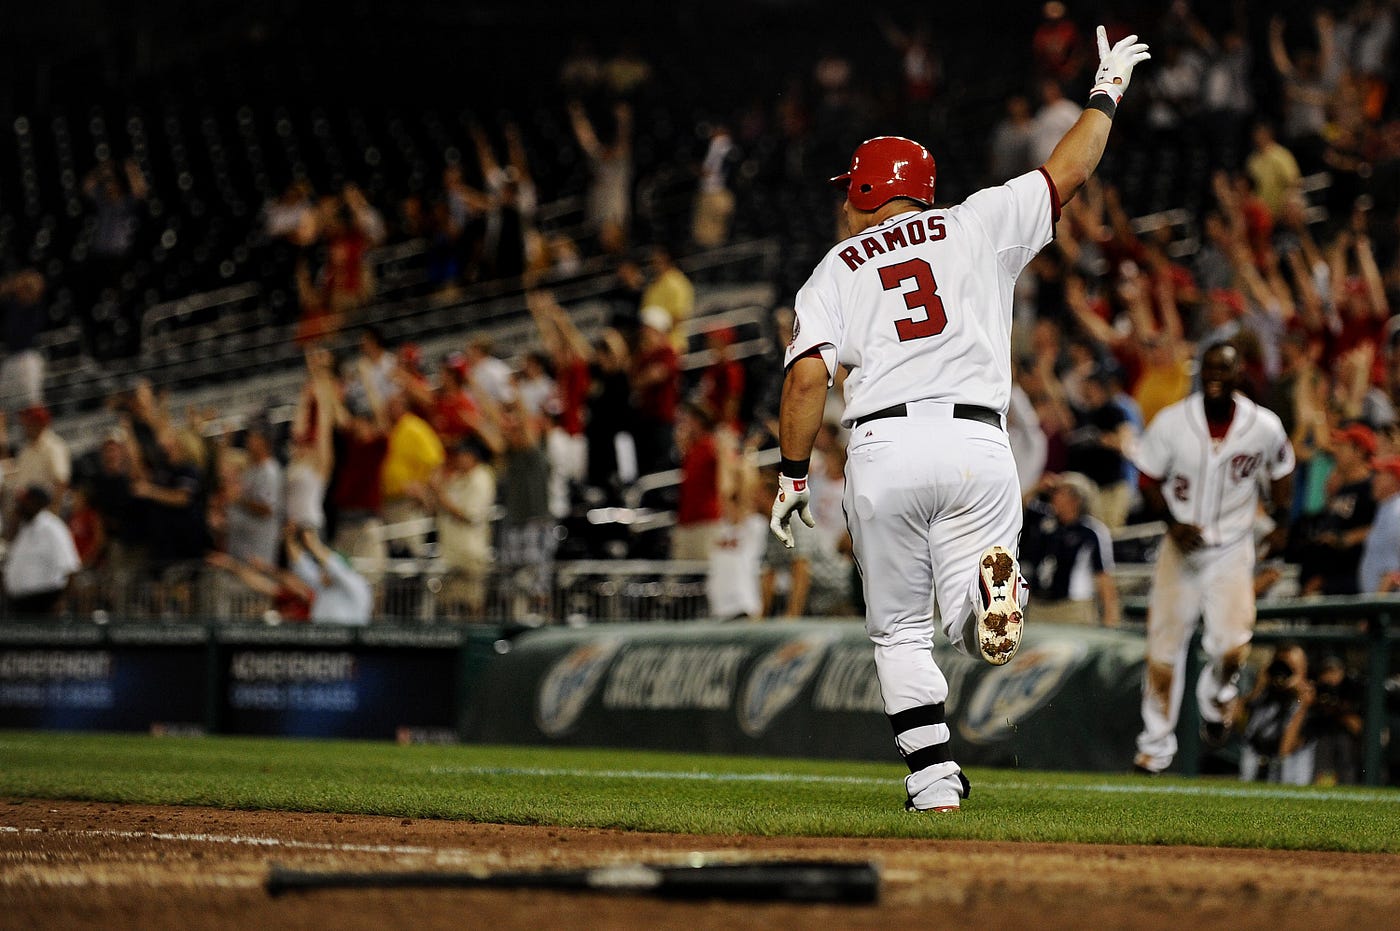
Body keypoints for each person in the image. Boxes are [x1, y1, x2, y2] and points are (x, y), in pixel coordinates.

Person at [770, 27, 1151, 812]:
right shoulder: (976, 222)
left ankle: (933, 778)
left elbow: (809, 373)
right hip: (981, 439)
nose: (845, 198)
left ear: (872, 192)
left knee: (901, 634)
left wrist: (793, 473)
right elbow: (1069, 170)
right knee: (965, 615)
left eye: (853, 188)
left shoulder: (835, 268)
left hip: (884, 442)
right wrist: (1106, 90)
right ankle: (985, 600)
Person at [1131, 341, 1296, 775]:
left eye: (1225, 370)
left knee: (1232, 649)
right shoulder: (1173, 422)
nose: (1216, 378)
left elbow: (1283, 469)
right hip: (1180, 548)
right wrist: (1171, 522)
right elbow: (1147, 478)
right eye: (1209, 370)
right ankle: (1153, 750)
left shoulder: (1263, 425)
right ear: (1199, 373)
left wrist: (1281, 521)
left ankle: (1218, 704)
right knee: (1163, 651)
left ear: (1241, 373)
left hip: (1232, 549)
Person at [1020, 472, 1120, 626]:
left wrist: (1110, 617)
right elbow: (1021, 505)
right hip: (1039, 606)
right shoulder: (1047, 521)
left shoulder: (1091, 532)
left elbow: (1104, 577)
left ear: (1075, 499)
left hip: (1071, 608)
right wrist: (1037, 487)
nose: (1053, 496)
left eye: (1060, 492)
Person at [2, 485, 80, 617]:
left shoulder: (52, 527)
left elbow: (71, 568)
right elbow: (7, 541)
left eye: (24, 502)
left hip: (44, 602)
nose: (19, 505)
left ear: (37, 502)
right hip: (18, 603)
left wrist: (62, 601)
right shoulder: (23, 527)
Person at [1358, 454, 1400, 593]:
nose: (1373, 480)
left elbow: (1392, 570)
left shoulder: (1397, 512)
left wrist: (1377, 605)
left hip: (1388, 605)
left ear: (1394, 479)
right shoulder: (1386, 508)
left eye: (1379, 475)